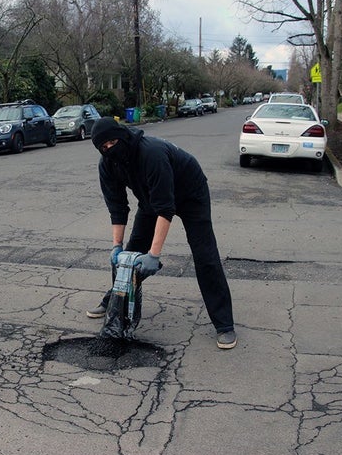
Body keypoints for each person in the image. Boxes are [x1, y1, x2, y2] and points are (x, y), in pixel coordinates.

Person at [86, 117, 237, 349]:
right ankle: (114, 301)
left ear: (123, 135)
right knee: (130, 256)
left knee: (204, 255)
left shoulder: (151, 153)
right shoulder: (107, 164)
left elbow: (166, 209)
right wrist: (116, 245)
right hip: (150, 198)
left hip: (190, 193)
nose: (109, 149)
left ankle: (224, 324)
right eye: (103, 147)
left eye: (112, 142)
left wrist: (154, 255)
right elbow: (117, 206)